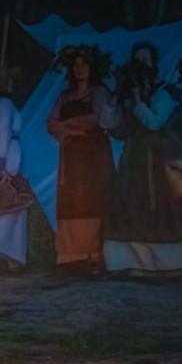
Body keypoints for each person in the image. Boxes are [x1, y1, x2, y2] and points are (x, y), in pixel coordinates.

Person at [103, 43, 182, 275]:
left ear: (154, 64)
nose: (142, 64)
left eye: (147, 60)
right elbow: (111, 126)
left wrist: (138, 101)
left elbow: (155, 122)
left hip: (157, 158)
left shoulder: (165, 91)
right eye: (138, 60)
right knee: (130, 207)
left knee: (163, 211)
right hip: (134, 158)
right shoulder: (129, 91)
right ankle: (132, 263)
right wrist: (115, 101)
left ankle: (174, 264)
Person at [46, 46, 115, 272]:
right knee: (71, 201)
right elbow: (51, 124)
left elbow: (95, 120)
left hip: (94, 155)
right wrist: (73, 130)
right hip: (71, 156)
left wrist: (68, 127)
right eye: (75, 65)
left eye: (83, 64)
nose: (79, 69)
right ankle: (71, 254)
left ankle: (95, 253)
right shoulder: (65, 96)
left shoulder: (98, 92)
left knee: (93, 200)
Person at [0, 92, 28, 268]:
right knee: (6, 204)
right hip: (5, 160)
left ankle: (6, 256)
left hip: (5, 158)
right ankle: (0, 253)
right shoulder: (3, 103)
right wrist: (1, 164)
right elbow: (3, 129)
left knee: (8, 205)